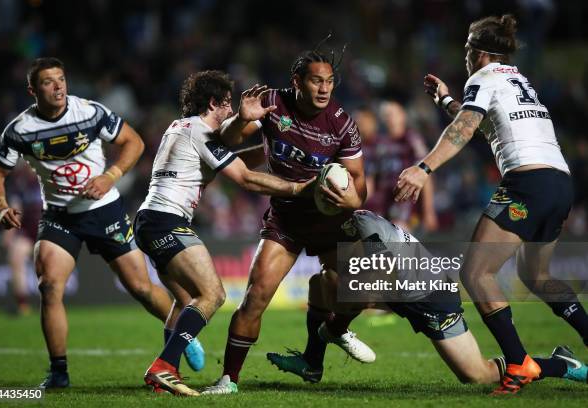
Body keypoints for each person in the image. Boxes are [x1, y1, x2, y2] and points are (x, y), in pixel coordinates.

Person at [395, 15, 588, 394]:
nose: (465, 55)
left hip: (527, 184)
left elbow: (464, 129)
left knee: (475, 273)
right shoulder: (516, 79)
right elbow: (480, 121)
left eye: (467, 48)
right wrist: (448, 100)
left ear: (479, 53)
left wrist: (423, 168)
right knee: (537, 277)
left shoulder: (482, 78)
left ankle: (518, 363)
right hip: (559, 182)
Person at [0, 57, 174, 389]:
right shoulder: (20, 130)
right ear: (33, 90)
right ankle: (59, 373)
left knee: (141, 288)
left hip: (105, 210)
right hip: (60, 216)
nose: (58, 86)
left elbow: (135, 142)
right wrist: (0, 205)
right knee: (49, 286)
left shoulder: (90, 112)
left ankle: (183, 334)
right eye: (48, 82)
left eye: (61, 79)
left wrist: (110, 175)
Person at [202, 41, 375, 395]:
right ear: (296, 81)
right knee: (255, 297)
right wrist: (241, 119)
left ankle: (335, 330)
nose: (324, 89)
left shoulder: (342, 123)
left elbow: (360, 187)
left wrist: (348, 198)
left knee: (360, 291)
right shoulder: (271, 102)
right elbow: (225, 140)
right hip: (286, 218)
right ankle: (228, 380)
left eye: (329, 82)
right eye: (316, 81)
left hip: (330, 220)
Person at [134, 70, 315, 396]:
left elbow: (230, 160)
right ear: (214, 103)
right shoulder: (200, 132)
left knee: (185, 300)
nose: (231, 113)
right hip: (167, 220)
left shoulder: (180, 128)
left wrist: (272, 144)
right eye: (228, 105)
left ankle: (167, 374)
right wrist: (299, 188)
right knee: (213, 294)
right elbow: (244, 178)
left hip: (148, 220)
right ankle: (164, 367)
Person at [267, 210, 588, 386]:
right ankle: (313, 363)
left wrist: (336, 325)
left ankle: (559, 365)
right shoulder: (338, 228)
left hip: (431, 295)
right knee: (320, 281)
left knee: (475, 375)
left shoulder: (364, 225)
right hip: (398, 292)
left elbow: (375, 283)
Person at [357, 104, 438, 232]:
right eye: (386, 115)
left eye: (393, 114)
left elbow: (426, 175)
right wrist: (356, 204)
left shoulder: (411, 140)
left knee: (397, 240)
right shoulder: (379, 144)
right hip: (382, 206)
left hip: (404, 207)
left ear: (402, 116)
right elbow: (371, 178)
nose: (389, 118)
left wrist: (429, 211)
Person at [1, 161, 41, 316]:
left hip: (48, 230)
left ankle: (51, 303)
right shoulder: (19, 182)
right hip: (28, 230)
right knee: (15, 257)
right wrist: (9, 231)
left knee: (47, 265)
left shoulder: (48, 177)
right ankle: (22, 305)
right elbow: (16, 207)